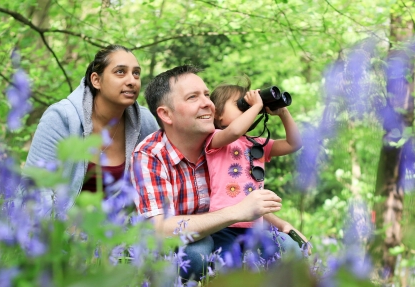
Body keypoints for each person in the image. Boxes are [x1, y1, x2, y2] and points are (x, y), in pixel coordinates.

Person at [130, 65, 308, 282]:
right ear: (166, 114)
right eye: (193, 97)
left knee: (288, 248)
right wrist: (236, 212)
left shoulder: (241, 146)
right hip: (195, 240)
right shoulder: (152, 155)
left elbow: (245, 199)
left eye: (207, 95)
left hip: (244, 229)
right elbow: (159, 229)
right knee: (200, 254)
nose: (207, 103)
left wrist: (280, 224)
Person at [24, 44, 158, 206]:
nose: (132, 81)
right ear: (96, 80)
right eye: (120, 72)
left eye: (136, 73)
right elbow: (35, 186)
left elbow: (157, 184)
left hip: (121, 228)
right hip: (61, 226)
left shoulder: (145, 122)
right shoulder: (61, 118)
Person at [206, 78, 306, 258]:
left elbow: (294, 143)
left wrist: (283, 112)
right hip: (223, 225)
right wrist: (255, 105)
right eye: (240, 104)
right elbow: (234, 131)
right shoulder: (215, 138)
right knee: (229, 267)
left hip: (255, 226)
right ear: (217, 113)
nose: (248, 108)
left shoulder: (256, 143)